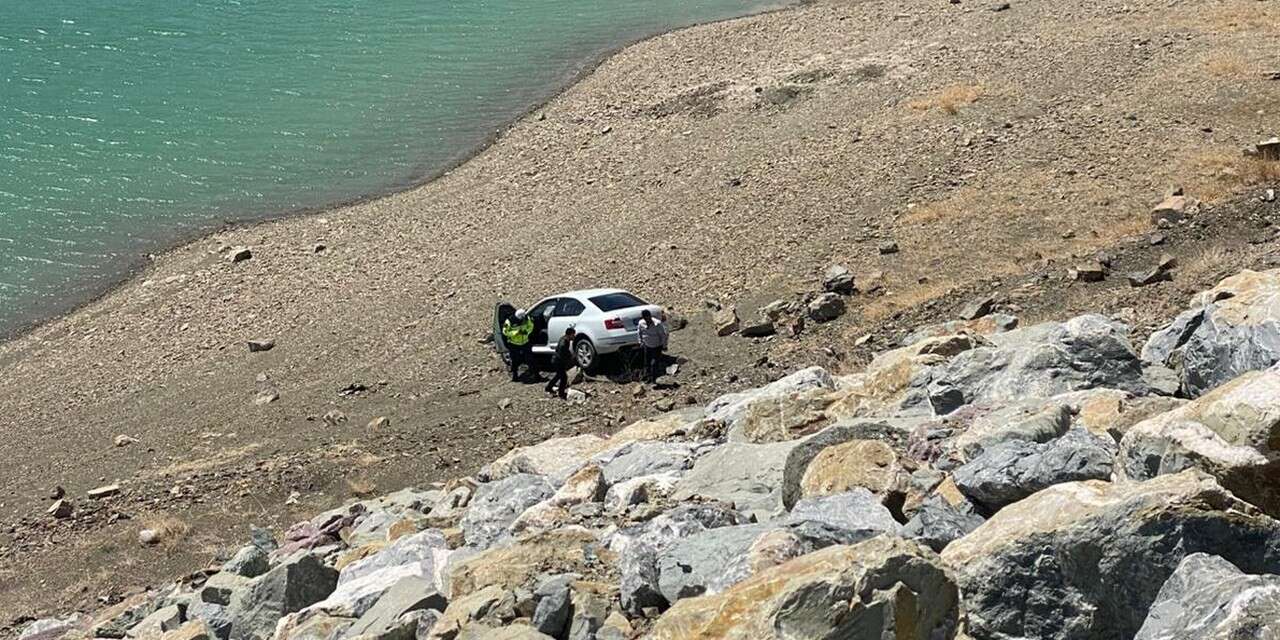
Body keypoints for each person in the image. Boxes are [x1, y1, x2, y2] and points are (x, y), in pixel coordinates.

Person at [637, 309, 669, 383]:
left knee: (654, 363)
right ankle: (647, 378)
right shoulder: (641, 323)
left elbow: (663, 335)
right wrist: (640, 342)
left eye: (648, 317)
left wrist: (664, 345)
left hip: (657, 346)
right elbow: (639, 332)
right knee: (646, 363)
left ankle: (653, 379)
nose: (647, 319)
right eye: (645, 317)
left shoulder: (657, 324)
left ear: (650, 316)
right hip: (647, 346)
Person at [502, 308, 534, 382]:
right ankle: (515, 375)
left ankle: (533, 373)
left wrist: (526, 332)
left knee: (530, 358)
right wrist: (516, 333)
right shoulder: (509, 321)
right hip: (514, 343)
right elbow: (505, 332)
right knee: (514, 360)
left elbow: (531, 326)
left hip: (525, 342)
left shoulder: (526, 318)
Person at [545, 326, 576, 399]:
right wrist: (571, 358)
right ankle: (561, 393)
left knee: (558, 375)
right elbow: (563, 354)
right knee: (564, 378)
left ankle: (548, 387)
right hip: (558, 362)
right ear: (569, 334)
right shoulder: (564, 343)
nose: (574, 336)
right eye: (573, 335)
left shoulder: (564, 339)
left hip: (557, 360)